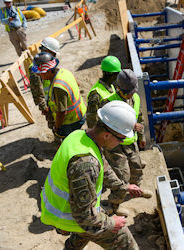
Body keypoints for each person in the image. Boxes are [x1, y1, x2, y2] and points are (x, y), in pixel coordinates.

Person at [40, 101, 141, 250]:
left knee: (83, 234)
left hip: (67, 210)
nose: (121, 143)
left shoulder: (80, 136)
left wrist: (124, 186)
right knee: (122, 237)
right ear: (107, 135)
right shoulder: (85, 164)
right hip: (69, 217)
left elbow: (103, 167)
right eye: (121, 139)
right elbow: (85, 218)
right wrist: (113, 223)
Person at [99, 69, 151, 216]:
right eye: (126, 92)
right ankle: (114, 204)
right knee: (122, 175)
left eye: (131, 92)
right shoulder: (109, 102)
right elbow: (102, 126)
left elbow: (139, 117)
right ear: (118, 88)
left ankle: (137, 190)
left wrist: (141, 137)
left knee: (136, 166)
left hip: (130, 141)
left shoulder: (135, 97)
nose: (129, 95)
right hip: (114, 144)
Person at [32, 52, 87, 139]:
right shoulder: (64, 72)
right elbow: (78, 84)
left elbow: (62, 112)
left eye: (40, 72)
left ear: (49, 71)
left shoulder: (58, 86)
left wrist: (57, 127)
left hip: (71, 121)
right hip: (80, 113)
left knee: (68, 142)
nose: (38, 75)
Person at [29, 37, 60, 130]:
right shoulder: (35, 68)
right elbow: (36, 90)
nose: (55, 56)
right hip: (48, 102)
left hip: (55, 98)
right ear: (47, 50)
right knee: (54, 123)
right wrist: (43, 107)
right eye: (53, 53)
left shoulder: (48, 60)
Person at [86, 55, 121, 128]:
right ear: (112, 74)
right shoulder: (95, 94)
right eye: (117, 74)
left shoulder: (110, 86)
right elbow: (91, 121)